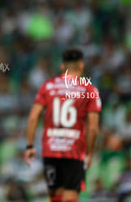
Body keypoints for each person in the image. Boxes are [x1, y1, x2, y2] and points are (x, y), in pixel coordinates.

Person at [24, 48, 101, 202]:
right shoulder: (89, 89)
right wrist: (89, 152)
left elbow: (33, 117)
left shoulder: (48, 86)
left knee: (56, 196)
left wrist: (30, 145)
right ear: (81, 66)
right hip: (74, 150)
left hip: (51, 149)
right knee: (71, 196)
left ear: (62, 66)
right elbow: (93, 128)